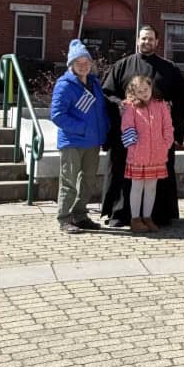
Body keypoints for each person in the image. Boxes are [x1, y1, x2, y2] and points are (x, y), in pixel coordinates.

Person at [101, 25, 184, 227]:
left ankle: (156, 215)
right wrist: (120, 104)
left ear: (157, 42)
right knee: (124, 175)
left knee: (154, 180)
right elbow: (107, 93)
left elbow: (183, 98)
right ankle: (121, 214)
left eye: (150, 39)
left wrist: (171, 116)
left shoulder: (169, 68)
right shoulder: (122, 66)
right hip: (129, 137)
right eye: (143, 39)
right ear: (137, 41)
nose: (146, 42)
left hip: (156, 137)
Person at [50, 39, 109, 233]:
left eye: (86, 62)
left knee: (88, 181)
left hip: (92, 142)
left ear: (91, 63)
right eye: (78, 62)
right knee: (69, 182)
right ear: (71, 65)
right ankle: (64, 218)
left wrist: (104, 131)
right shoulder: (64, 85)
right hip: (72, 141)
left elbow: (100, 111)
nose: (83, 66)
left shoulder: (94, 83)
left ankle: (80, 215)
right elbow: (57, 115)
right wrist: (81, 128)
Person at [120, 75, 174, 232]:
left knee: (151, 187)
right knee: (137, 187)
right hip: (138, 155)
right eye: (140, 91)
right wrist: (134, 147)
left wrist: (166, 144)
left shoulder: (161, 105)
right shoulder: (130, 107)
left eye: (146, 89)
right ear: (133, 92)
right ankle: (135, 219)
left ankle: (147, 217)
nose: (144, 93)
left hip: (157, 154)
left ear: (151, 88)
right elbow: (127, 127)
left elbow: (168, 127)